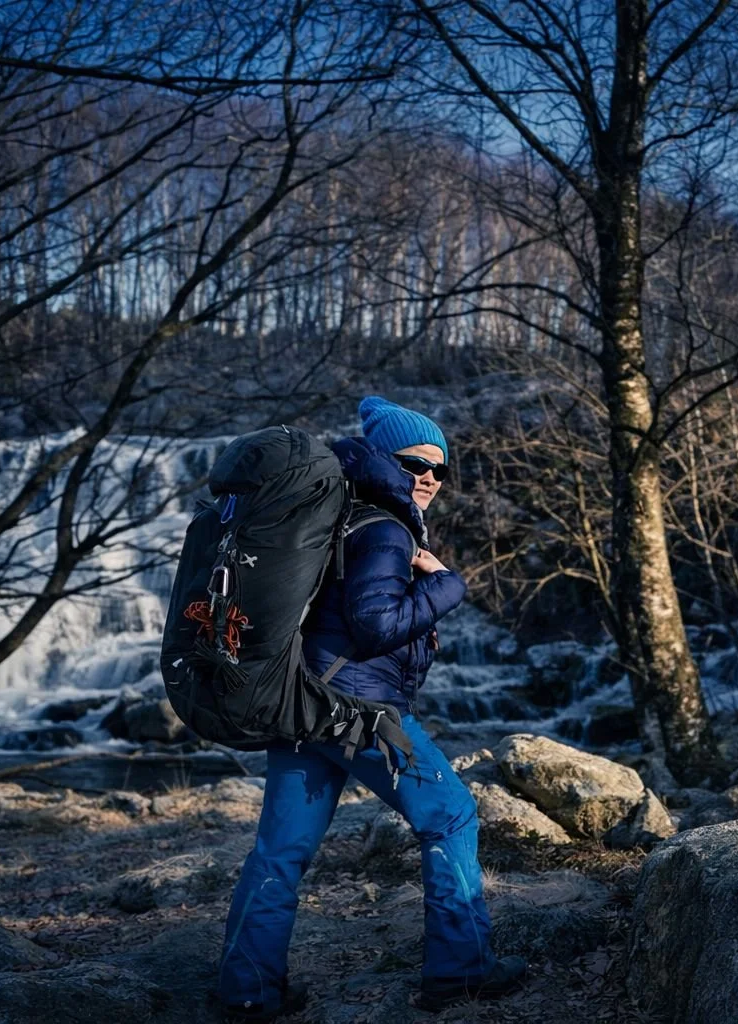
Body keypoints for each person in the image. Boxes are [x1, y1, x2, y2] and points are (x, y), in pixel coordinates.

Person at [217, 396, 527, 1020]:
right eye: (416, 464)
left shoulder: (347, 516)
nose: (431, 479)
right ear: (386, 458)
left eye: (442, 469)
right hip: (358, 710)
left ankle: (245, 991)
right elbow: (374, 624)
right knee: (451, 817)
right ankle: (461, 971)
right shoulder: (385, 529)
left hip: (303, 702)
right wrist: (446, 586)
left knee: (280, 852)